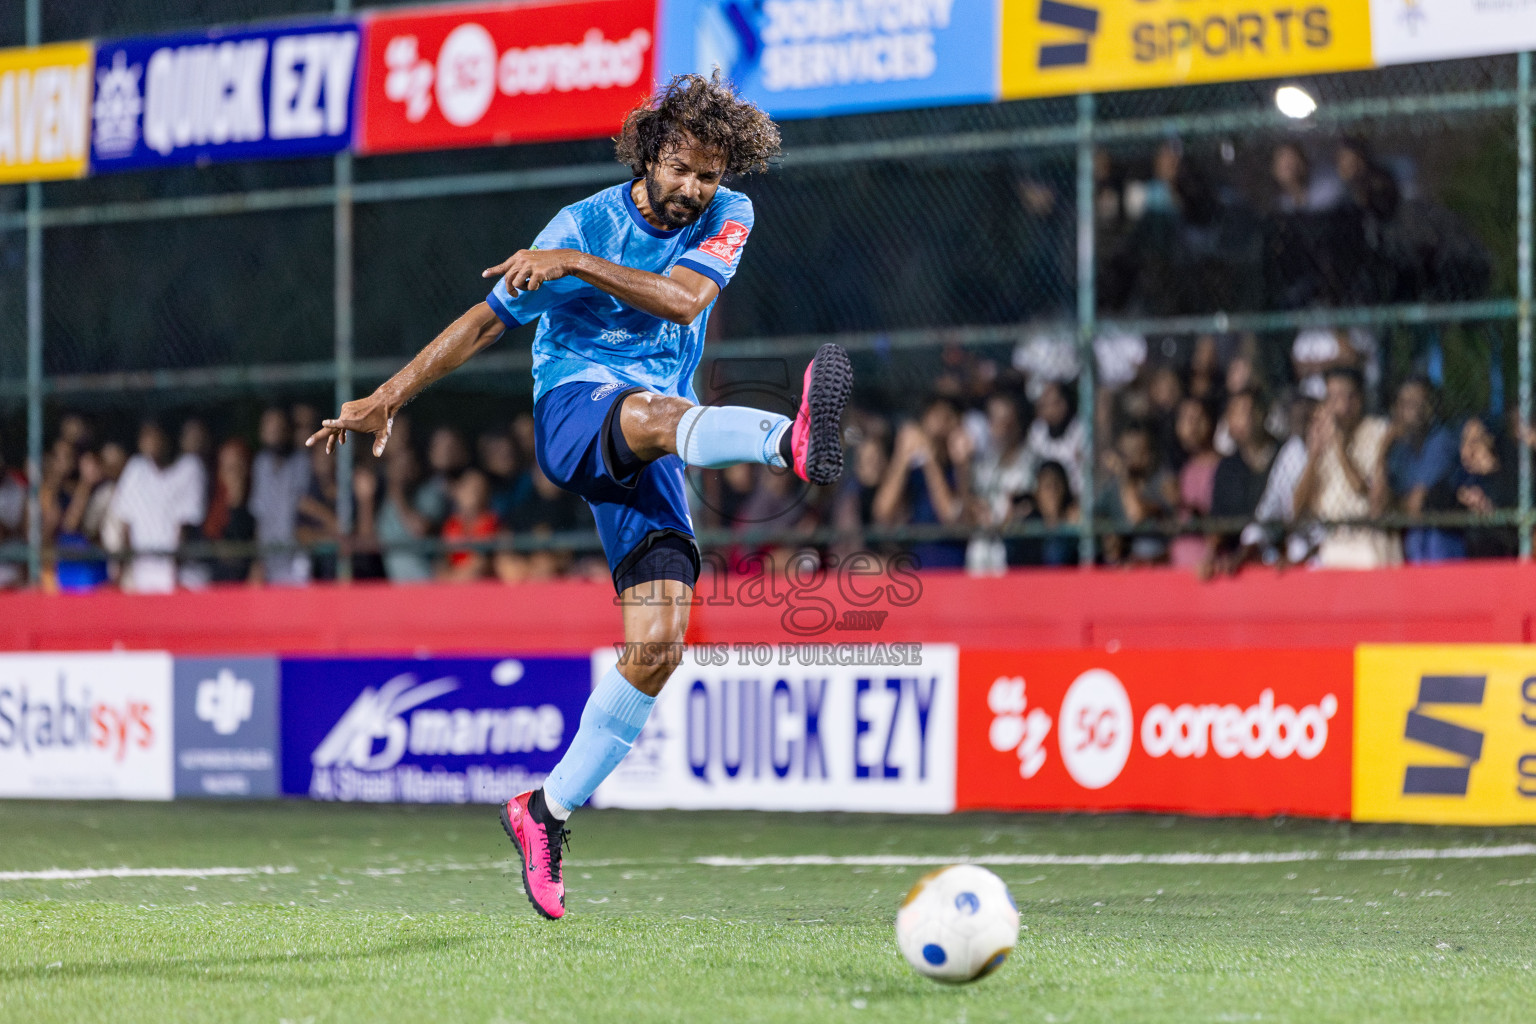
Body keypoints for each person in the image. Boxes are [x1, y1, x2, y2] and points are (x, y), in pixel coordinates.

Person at [308, 74, 847, 921]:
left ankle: (544, 811)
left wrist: (575, 267)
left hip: (655, 434)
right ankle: (791, 441)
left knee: (662, 643)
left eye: (708, 174)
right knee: (665, 415)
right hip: (576, 407)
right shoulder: (582, 224)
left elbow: (685, 298)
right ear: (648, 153)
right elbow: (485, 322)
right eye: (678, 169)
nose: (693, 190)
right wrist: (388, 396)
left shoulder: (725, 216)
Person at [1292, 368, 1398, 568]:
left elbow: (1365, 492)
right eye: (1331, 397)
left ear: (1357, 400)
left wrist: (1340, 447)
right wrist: (1313, 457)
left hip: (1369, 538)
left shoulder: (1379, 432)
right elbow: (1297, 508)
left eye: (1344, 396)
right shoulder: (1321, 437)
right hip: (1332, 539)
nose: (1337, 405)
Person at [106, 420, 204, 593]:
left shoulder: (190, 466)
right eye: (145, 436)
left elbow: (185, 527)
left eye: (153, 435)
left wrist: (174, 576)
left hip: (181, 578)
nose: (149, 442)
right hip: (141, 576)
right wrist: (121, 572)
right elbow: (126, 524)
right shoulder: (136, 469)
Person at [1376, 376, 1460, 563]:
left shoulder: (1442, 441)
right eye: (1406, 403)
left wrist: (1395, 506)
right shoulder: (1398, 449)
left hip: (1442, 544)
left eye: (1420, 402)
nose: (1415, 410)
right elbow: (1379, 507)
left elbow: (1416, 505)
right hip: (1412, 547)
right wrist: (1383, 449)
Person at [1203, 389, 1276, 578]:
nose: (1244, 419)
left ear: (1264, 414)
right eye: (1235, 413)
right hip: (1235, 564)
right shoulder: (1227, 467)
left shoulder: (1283, 457)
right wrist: (1210, 556)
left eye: (1248, 411)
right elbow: (1218, 522)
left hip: (1275, 556)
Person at [250, 407, 311, 585]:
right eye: (270, 428)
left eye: (279, 428)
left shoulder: (302, 462)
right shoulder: (260, 463)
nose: (275, 433)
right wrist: (258, 559)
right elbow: (258, 515)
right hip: (267, 560)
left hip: (297, 559)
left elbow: (304, 506)